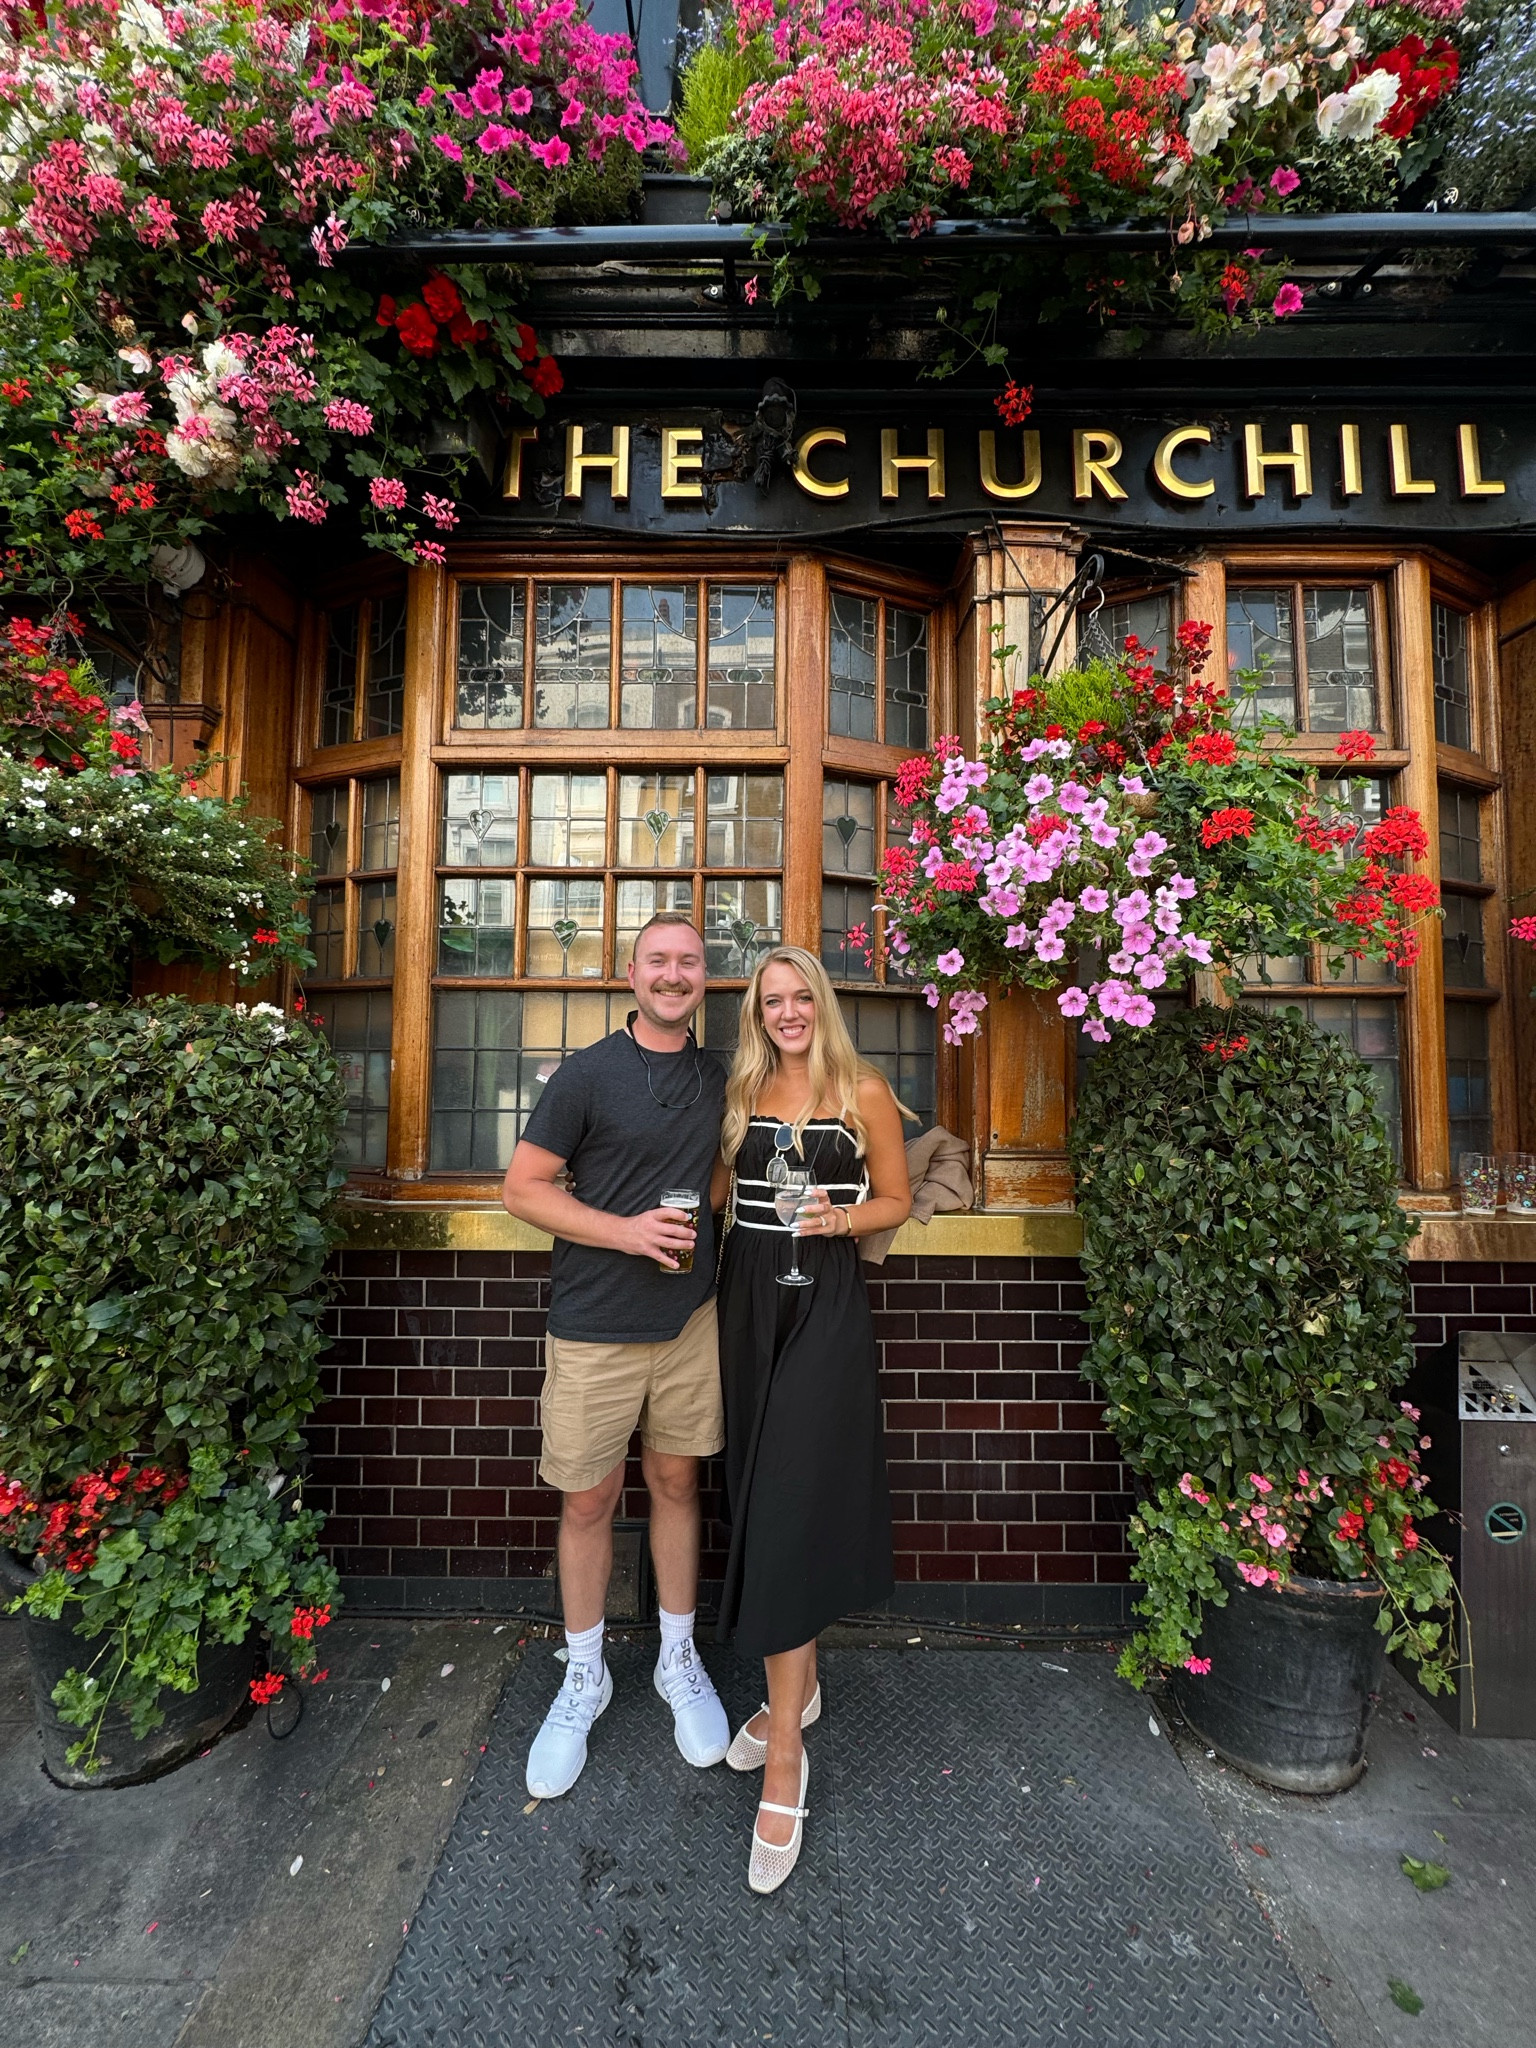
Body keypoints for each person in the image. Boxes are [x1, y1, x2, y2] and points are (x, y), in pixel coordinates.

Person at [503, 912, 731, 1798]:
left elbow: (723, 1177)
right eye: (658, 961)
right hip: (594, 1325)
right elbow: (523, 1189)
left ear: (704, 978)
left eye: (689, 962)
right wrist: (627, 1232)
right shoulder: (587, 1075)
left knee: (677, 1485)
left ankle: (678, 1658)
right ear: (630, 975)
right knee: (590, 1499)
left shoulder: (719, 1077)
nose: (673, 975)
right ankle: (585, 1675)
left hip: (689, 1321)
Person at [711, 945, 912, 1892]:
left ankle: (786, 1753)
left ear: (820, 1003)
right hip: (748, 1304)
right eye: (771, 1001)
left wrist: (843, 1219)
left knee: (788, 1509)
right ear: (756, 1014)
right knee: (756, 1493)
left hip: (823, 1307)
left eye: (799, 998)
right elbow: (718, 1198)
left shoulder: (861, 1089)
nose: (786, 1012)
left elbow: (896, 1201)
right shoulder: (743, 1090)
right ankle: (805, 1686)